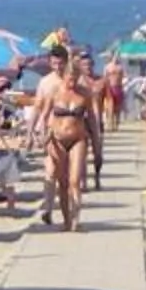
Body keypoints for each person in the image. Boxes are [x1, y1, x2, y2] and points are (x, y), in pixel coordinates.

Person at [32, 49, 100, 231]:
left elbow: (92, 119)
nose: (72, 82)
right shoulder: (54, 91)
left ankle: (76, 219)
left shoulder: (84, 93)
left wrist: (97, 142)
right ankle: (66, 220)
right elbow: (44, 115)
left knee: (74, 181)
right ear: (64, 76)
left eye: (75, 78)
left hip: (78, 139)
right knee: (62, 183)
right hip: (57, 139)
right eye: (70, 78)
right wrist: (40, 135)